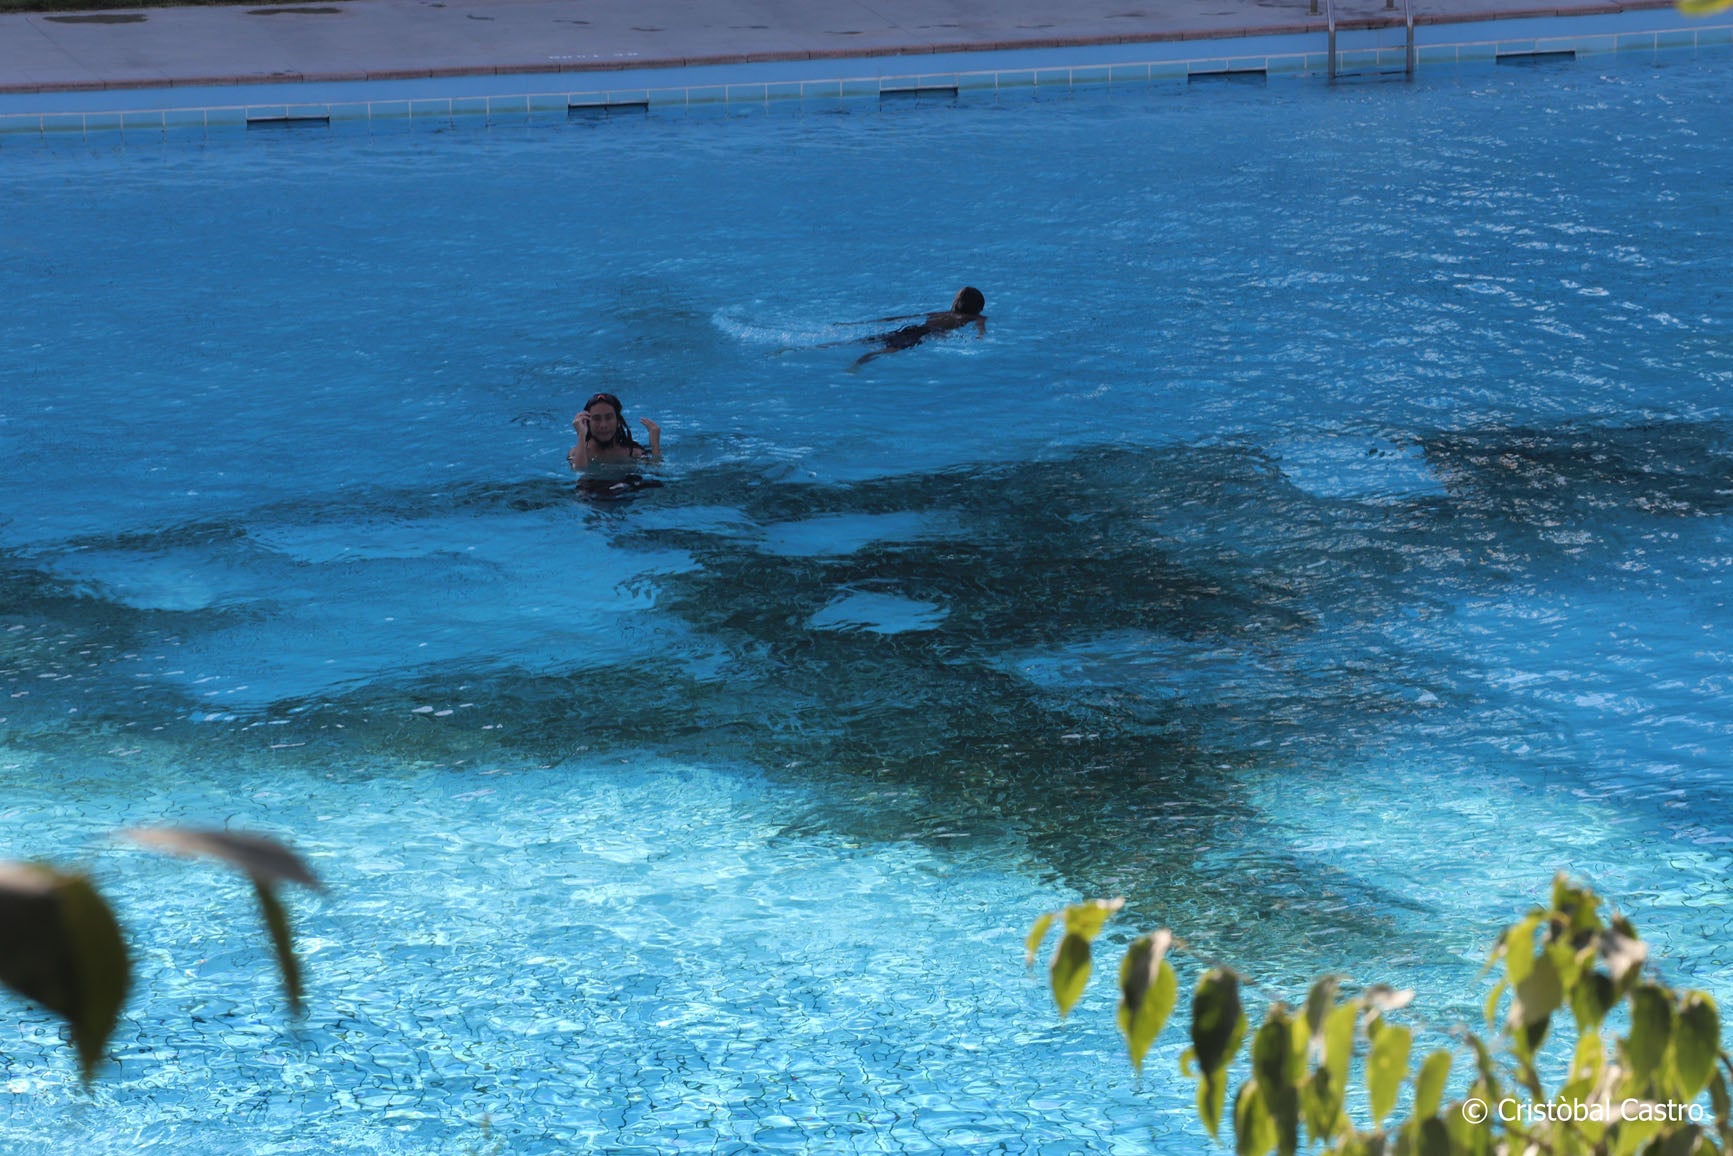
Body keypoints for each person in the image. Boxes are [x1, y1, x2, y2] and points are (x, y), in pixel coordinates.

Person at [852, 286, 986, 368]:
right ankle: (860, 362)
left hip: (913, 328)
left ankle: (832, 344)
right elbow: (981, 331)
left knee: (871, 339)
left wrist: (855, 324)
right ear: (979, 307)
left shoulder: (940, 313)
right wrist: (980, 338)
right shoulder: (975, 317)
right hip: (922, 334)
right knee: (891, 349)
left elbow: (903, 318)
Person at [567, 392, 661, 470]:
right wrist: (581, 435)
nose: (603, 425)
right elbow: (579, 471)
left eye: (609, 418)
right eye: (596, 418)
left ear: (618, 422)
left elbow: (657, 471)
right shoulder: (577, 453)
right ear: (587, 423)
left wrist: (655, 445)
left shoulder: (633, 453)